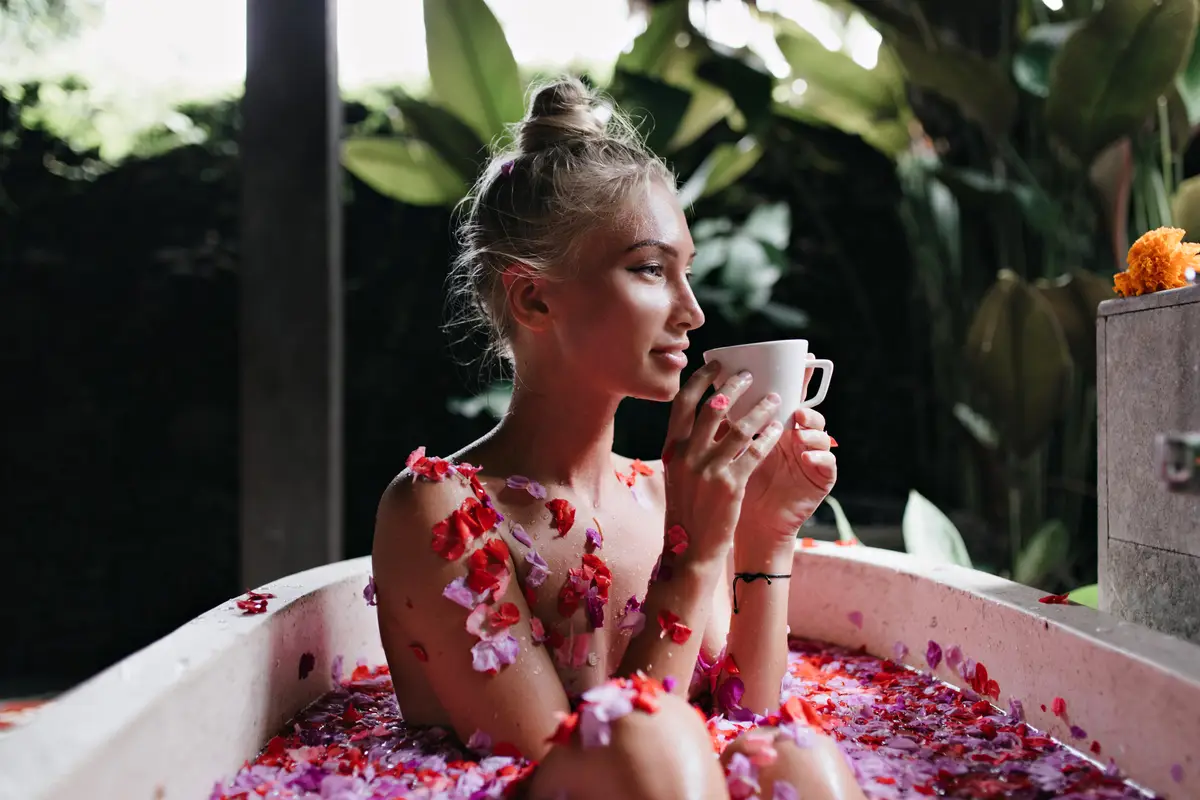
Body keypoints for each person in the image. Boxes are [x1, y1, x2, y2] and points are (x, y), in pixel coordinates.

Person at [372, 77, 865, 800]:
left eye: (685, 273)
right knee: (644, 737)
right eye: (650, 270)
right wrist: (692, 556)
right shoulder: (439, 511)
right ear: (534, 296)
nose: (692, 311)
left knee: (794, 761)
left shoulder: (666, 489)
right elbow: (601, 764)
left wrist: (765, 535)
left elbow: (742, 713)